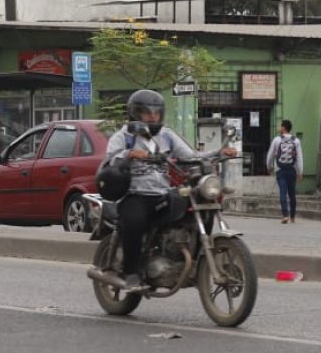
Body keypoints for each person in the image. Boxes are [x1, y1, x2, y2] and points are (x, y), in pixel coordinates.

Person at [101, 89, 237, 290]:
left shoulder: (167, 135)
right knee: (135, 220)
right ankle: (131, 272)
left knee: (199, 203)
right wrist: (130, 154)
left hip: (162, 194)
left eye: (157, 113)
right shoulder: (124, 136)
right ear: (135, 113)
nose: (153, 117)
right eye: (148, 113)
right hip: (134, 194)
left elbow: (191, 156)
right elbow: (109, 160)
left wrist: (219, 152)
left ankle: (192, 261)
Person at [265, 119, 304, 223]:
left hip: (280, 170)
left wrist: (269, 167)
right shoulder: (296, 140)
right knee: (292, 194)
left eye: (280, 126)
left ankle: (285, 215)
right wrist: (300, 172)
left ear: (283, 128)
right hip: (292, 170)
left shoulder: (277, 140)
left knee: (283, 192)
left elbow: (269, 155)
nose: (279, 128)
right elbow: (299, 157)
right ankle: (293, 217)